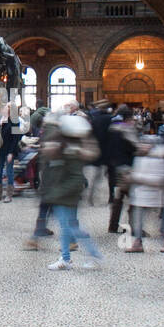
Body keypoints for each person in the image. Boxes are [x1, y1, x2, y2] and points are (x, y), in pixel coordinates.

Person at [41, 113, 103, 271]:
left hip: (66, 195)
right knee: (67, 226)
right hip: (62, 194)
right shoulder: (66, 147)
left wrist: (57, 192)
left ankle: (92, 255)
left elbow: (75, 177)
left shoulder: (70, 151)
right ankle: (66, 258)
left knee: (70, 227)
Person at [125, 134, 164, 252]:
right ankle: (137, 242)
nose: (143, 146)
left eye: (146, 144)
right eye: (142, 143)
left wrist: (136, 177)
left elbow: (161, 178)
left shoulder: (161, 158)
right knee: (138, 218)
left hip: (158, 193)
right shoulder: (139, 157)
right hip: (141, 193)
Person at [105, 105, 138, 235]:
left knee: (118, 198)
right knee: (135, 199)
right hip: (126, 169)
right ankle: (133, 227)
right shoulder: (127, 131)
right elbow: (134, 148)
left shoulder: (112, 129)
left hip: (115, 168)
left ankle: (113, 226)